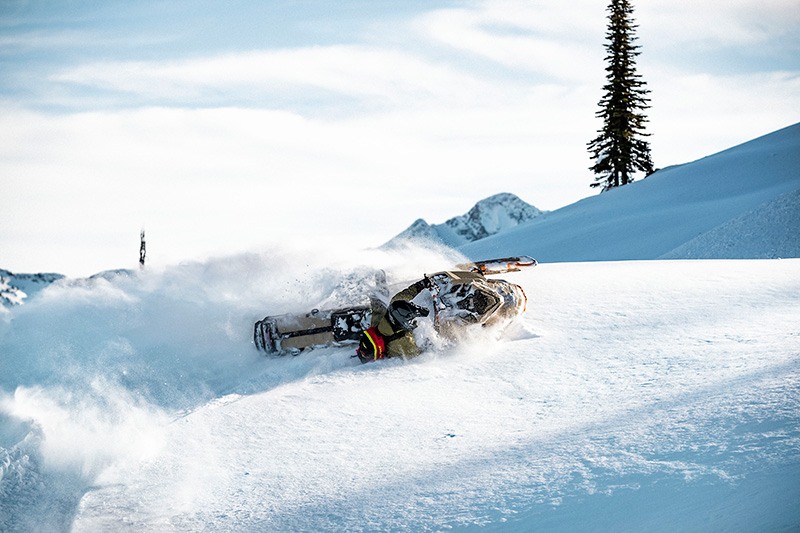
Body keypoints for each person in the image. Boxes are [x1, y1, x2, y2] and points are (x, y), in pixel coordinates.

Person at [356, 279, 430, 363]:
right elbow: (423, 350)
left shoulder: (379, 322)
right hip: (421, 326)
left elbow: (378, 306)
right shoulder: (402, 345)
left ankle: (420, 286)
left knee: (395, 302)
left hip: (405, 321)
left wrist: (380, 285)